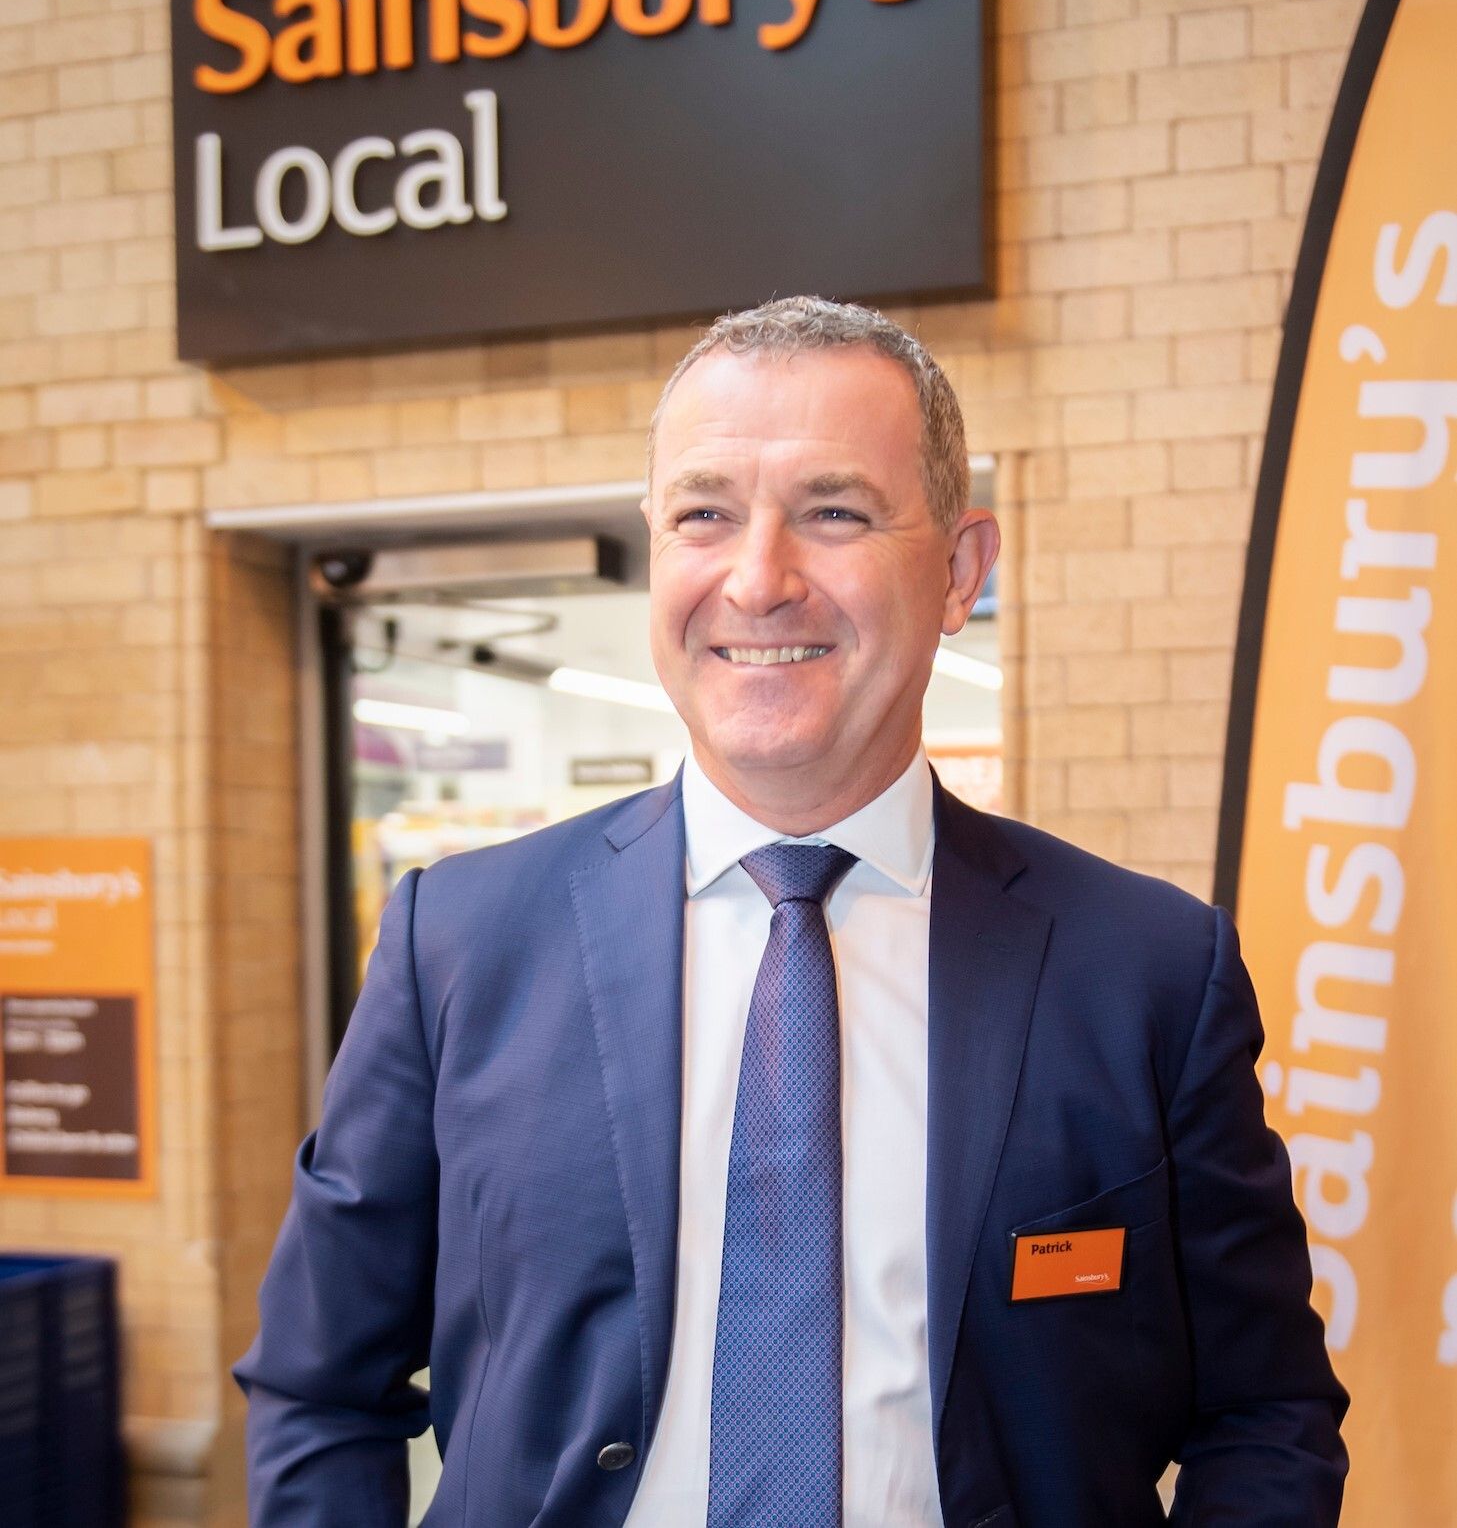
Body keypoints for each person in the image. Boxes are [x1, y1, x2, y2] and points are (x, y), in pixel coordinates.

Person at [235, 296, 1348, 1526]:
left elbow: (1264, 1414)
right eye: (703, 513)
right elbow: (320, 1385)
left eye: (833, 512)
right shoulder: (457, 943)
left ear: (958, 570)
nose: (757, 581)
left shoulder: (1142, 971)